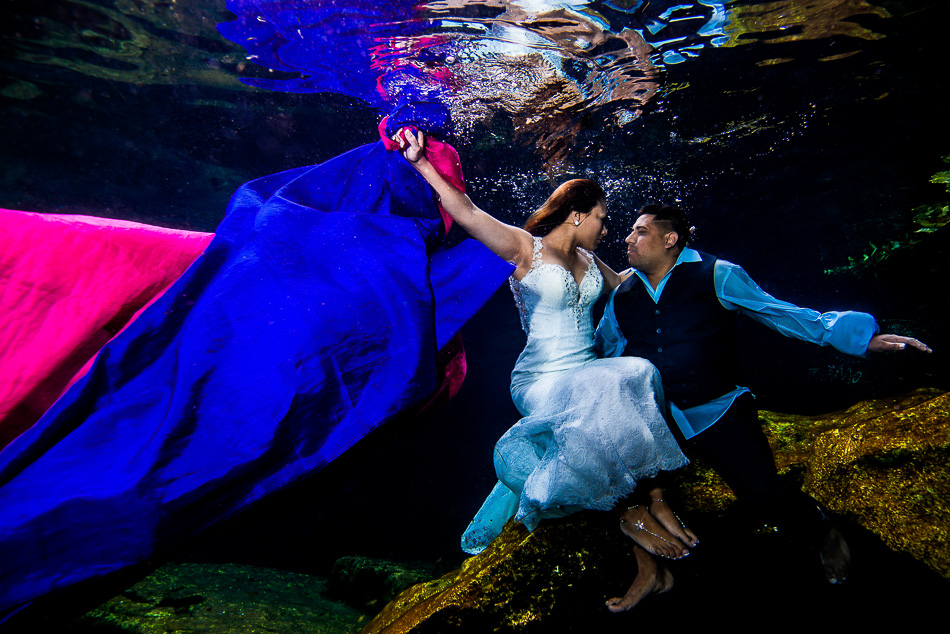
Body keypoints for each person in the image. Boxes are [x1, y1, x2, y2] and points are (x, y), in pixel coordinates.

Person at [395, 129, 697, 611]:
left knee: (639, 372)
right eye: (600, 218)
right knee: (611, 387)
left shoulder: (592, 259)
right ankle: (630, 513)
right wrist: (421, 164)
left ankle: (653, 514)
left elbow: (636, 286)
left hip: (588, 370)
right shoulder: (523, 248)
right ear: (577, 214)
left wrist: (690, 267)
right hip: (540, 378)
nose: (606, 228)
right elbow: (468, 213)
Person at [596, 203, 932, 603]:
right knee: (605, 478)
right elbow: (603, 354)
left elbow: (783, 315)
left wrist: (862, 339)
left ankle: (822, 527)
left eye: (640, 232)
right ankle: (652, 570)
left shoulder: (718, 273)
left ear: (670, 239)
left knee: (761, 493)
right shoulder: (623, 295)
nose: (628, 239)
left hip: (717, 408)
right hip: (661, 420)